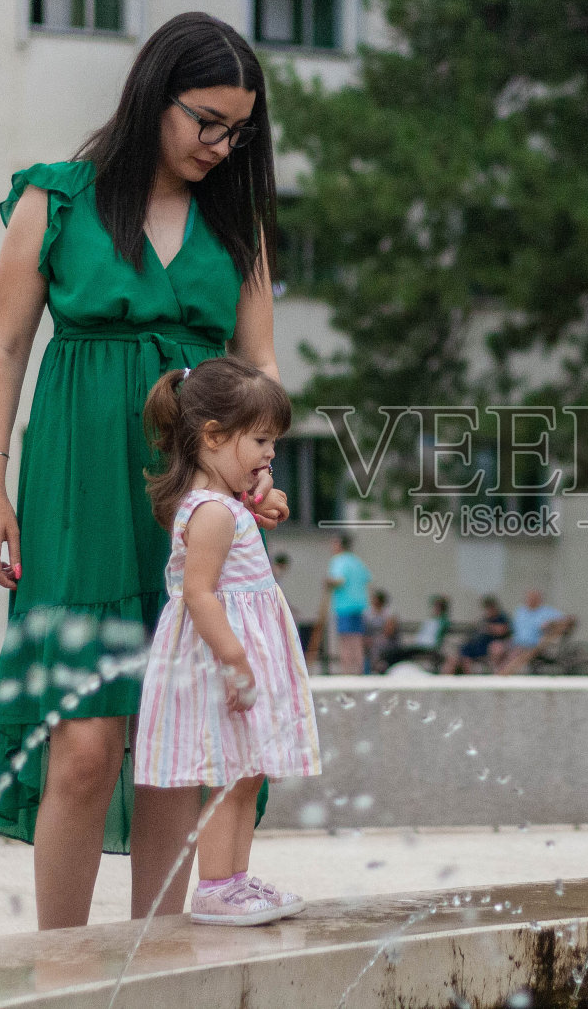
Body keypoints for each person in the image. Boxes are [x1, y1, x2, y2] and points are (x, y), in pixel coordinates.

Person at [0, 12, 290, 929]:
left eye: (240, 130)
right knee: (83, 740)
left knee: (176, 738)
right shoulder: (56, 201)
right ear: (156, 96)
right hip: (76, 493)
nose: (223, 146)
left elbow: (260, 367)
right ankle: (59, 972)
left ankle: (160, 967)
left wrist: (258, 472)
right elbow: (2, 349)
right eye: (208, 121)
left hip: (191, 504)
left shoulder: (238, 230)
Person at [134, 358, 320, 924]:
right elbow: (198, 594)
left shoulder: (224, 503)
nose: (270, 454)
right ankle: (216, 887)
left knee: (246, 771)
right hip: (222, 659)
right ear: (213, 436)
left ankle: (235, 881)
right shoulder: (213, 513)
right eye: (261, 440)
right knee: (229, 776)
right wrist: (236, 660)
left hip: (235, 655)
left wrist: (259, 498)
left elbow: (249, 509)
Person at [494, 588, 576, 675]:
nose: (530, 600)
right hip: (515, 642)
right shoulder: (521, 611)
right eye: (528, 598)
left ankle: (501, 676)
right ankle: (495, 673)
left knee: (514, 654)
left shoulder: (547, 612)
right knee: (496, 647)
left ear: (539, 599)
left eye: (533, 598)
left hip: (533, 646)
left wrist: (551, 624)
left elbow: (570, 620)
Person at [325, 534, 372, 674]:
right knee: (356, 640)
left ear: (340, 545)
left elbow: (339, 580)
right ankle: (359, 670)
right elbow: (367, 578)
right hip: (359, 605)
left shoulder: (338, 560)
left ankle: (347, 672)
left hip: (344, 606)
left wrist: (328, 582)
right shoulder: (357, 561)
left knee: (345, 640)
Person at [441, 595, 510, 675]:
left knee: (495, 648)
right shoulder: (484, 619)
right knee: (462, 653)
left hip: (489, 645)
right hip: (476, 644)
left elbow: (502, 630)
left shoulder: (501, 617)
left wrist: (488, 627)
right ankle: (468, 677)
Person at [386, 594, 450, 670]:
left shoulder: (442, 622)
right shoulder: (430, 621)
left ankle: (387, 667)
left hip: (427, 647)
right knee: (396, 652)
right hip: (420, 645)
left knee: (400, 654)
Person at [364, 589, 401, 673]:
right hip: (372, 639)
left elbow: (389, 631)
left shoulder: (389, 613)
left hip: (388, 641)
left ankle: (379, 667)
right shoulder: (368, 614)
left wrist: (375, 639)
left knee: (378, 644)